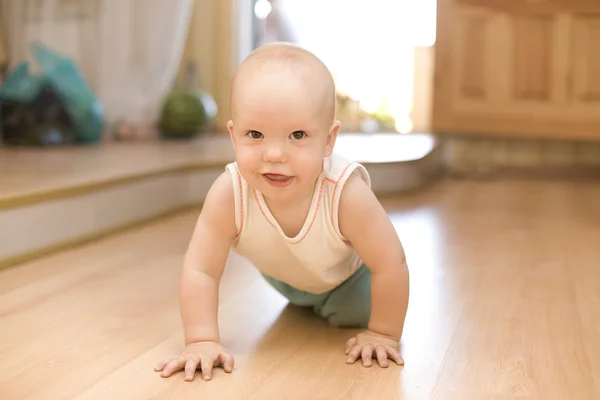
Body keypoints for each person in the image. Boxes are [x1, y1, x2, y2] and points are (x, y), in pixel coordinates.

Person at [154, 42, 410, 382]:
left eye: (298, 135)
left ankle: (333, 309)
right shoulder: (229, 193)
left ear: (329, 140)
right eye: (255, 134)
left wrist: (383, 333)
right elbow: (201, 269)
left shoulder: (346, 194)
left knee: (352, 312)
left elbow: (390, 263)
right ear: (233, 136)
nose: (274, 154)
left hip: (350, 284)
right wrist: (201, 340)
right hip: (288, 276)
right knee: (298, 302)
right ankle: (305, 303)